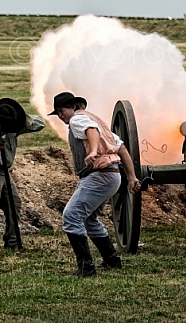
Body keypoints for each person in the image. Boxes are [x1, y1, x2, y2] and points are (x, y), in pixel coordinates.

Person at [49, 91, 141, 277]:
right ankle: (112, 260)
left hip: (100, 175)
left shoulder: (77, 120)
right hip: (112, 176)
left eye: (61, 111)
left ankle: (86, 268)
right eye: (57, 112)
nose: (60, 115)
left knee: (71, 216)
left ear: (73, 107)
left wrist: (92, 151)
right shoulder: (96, 121)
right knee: (89, 219)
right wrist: (131, 177)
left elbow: (91, 131)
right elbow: (121, 148)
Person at [0, 98, 45, 256]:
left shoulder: (14, 125)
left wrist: (22, 118)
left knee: (14, 203)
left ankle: (12, 242)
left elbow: (40, 124)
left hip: (5, 169)